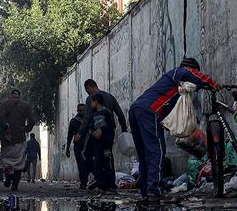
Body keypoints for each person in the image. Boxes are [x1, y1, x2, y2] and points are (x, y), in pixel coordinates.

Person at [129, 57, 220, 202]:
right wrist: (213, 84)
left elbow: (173, 109)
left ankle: (146, 191)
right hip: (149, 111)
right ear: (191, 69)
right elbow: (196, 76)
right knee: (156, 152)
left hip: (137, 110)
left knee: (145, 153)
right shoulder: (180, 71)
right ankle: (154, 190)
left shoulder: (174, 86)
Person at [79, 79, 128, 183]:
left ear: (89, 87)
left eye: (87, 90)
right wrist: (124, 129)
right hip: (109, 133)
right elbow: (120, 114)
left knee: (92, 155)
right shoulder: (110, 97)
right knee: (108, 156)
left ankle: (100, 181)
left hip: (97, 134)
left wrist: (81, 133)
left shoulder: (90, 99)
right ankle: (110, 182)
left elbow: (87, 118)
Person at [0, 89, 36, 190]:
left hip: (7, 139)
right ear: (19, 96)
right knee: (19, 163)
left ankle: (8, 177)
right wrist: (26, 129)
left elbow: (1, 119)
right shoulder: (25, 105)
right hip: (19, 137)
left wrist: (5, 132)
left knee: (7, 161)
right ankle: (15, 184)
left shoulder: (4, 104)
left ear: (10, 95)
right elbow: (32, 120)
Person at [87, 92, 118, 192]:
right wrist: (93, 132)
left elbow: (112, 125)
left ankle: (111, 184)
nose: (91, 104)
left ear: (96, 102)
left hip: (106, 142)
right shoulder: (93, 114)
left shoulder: (106, 112)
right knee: (98, 164)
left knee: (108, 163)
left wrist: (102, 130)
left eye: (92, 102)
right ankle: (101, 185)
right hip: (97, 143)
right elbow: (90, 126)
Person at [66, 104, 90, 189]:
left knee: (89, 164)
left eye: (84, 110)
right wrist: (67, 148)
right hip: (78, 147)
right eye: (80, 110)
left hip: (88, 146)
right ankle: (83, 182)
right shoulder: (74, 121)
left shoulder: (89, 120)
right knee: (81, 165)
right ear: (77, 111)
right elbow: (69, 135)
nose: (82, 112)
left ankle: (86, 181)